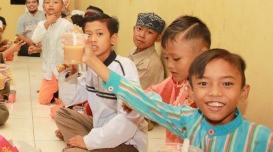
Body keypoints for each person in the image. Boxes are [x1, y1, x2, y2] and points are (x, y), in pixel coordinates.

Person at [84, 48, 273, 151]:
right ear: (191, 90)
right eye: (204, 84)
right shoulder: (188, 120)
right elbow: (146, 103)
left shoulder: (261, 138)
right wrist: (92, 61)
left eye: (227, 84)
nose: (215, 92)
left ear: (243, 92)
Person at [55, 13, 147, 151]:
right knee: (62, 114)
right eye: (88, 34)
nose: (93, 39)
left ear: (113, 38)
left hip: (127, 142)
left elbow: (128, 121)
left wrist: (89, 141)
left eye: (99, 34)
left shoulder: (124, 66)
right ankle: (82, 142)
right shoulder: (93, 66)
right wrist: (72, 71)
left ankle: (80, 143)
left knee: (72, 151)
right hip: (100, 127)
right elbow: (71, 99)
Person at [146, 15, 211, 143]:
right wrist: (134, 99)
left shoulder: (211, 89)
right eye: (166, 58)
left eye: (176, 58)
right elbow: (152, 93)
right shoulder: (176, 81)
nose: (170, 65)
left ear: (201, 55)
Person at [31, 0, 74, 105]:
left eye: (55, 2)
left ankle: (59, 92)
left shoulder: (66, 24)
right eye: (47, 2)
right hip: (49, 71)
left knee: (66, 101)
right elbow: (35, 39)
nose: (51, 5)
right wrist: (47, 23)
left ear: (63, 6)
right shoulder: (42, 24)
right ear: (43, 6)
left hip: (63, 69)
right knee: (43, 100)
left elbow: (72, 46)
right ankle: (55, 92)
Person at [128, 12, 166, 90]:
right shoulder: (133, 50)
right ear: (134, 29)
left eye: (149, 32)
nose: (142, 35)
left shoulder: (150, 65)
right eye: (139, 29)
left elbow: (132, 94)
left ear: (158, 38)